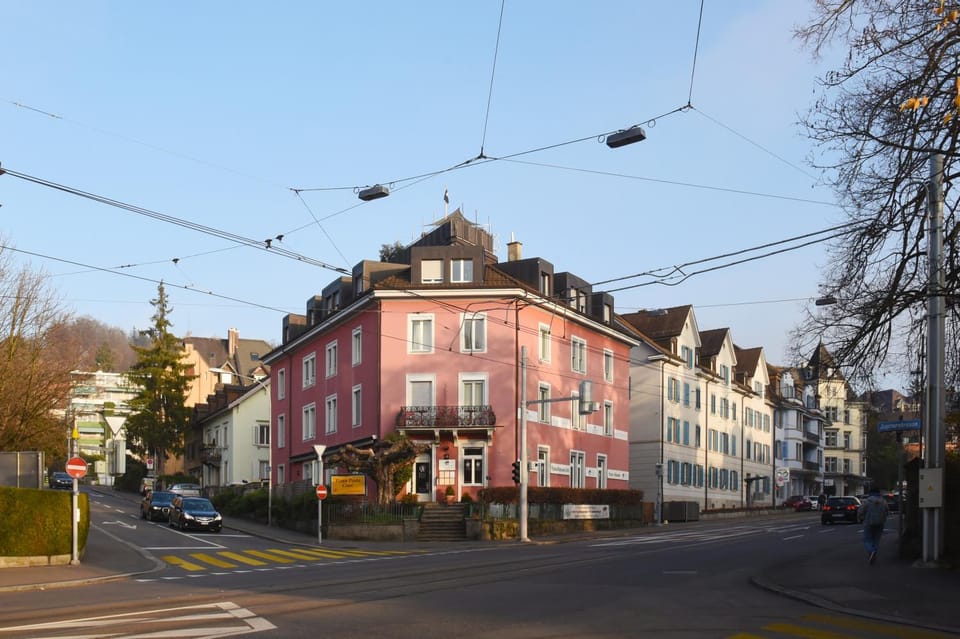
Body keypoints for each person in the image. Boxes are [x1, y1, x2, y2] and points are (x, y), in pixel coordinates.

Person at [859, 487, 890, 564]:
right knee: (876, 539)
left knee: (867, 539)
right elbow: (887, 511)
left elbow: (861, 511)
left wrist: (861, 517)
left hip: (869, 522)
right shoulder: (883, 501)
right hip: (880, 522)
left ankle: (871, 551)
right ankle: (874, 551)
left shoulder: (867, 501)